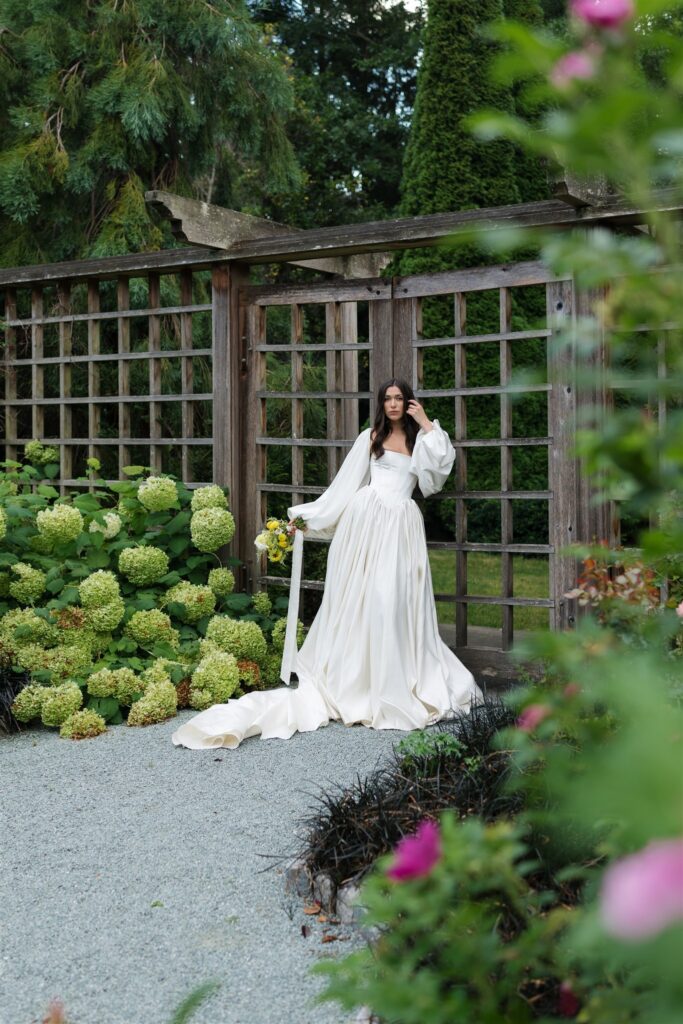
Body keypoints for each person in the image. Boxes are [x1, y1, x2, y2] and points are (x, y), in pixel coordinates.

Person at [172, 379, 482, 750]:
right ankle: (357, 679)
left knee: (394, 600)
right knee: (365, 600)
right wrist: (306, 518)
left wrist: (428, 423)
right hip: (365, 522)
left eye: (400, 398)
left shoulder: (422, 440)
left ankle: (393, 679)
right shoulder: (370, 438)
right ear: (381, 403)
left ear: (409, 402)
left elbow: (436, 477)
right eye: (388, 399)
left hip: (401, 525)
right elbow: (344, 486)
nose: (394, 404)